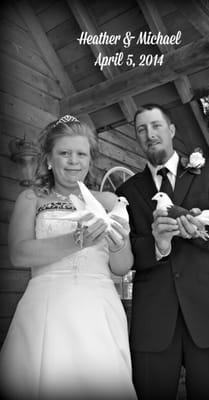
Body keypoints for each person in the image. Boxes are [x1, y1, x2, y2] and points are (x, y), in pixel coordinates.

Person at [0, 115, 137, 400]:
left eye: (81, 154)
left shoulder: (110, 202)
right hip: (46, 307)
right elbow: (18, 253)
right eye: (64, 153)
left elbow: (122, 266)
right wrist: (78, 240)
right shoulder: (31, 198)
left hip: (99, 308)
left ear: (90, 160)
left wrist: (117, 243)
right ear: (49, 159)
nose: (73, 161)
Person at [116, 104, 209, 400]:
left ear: (171, 130)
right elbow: (128, 252)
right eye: (141, 129)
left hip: (206, 312)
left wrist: (198, 233)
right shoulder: (129, 191)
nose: (150, 134)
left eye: (156, 125)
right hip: (153, 319)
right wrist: (158, 246)